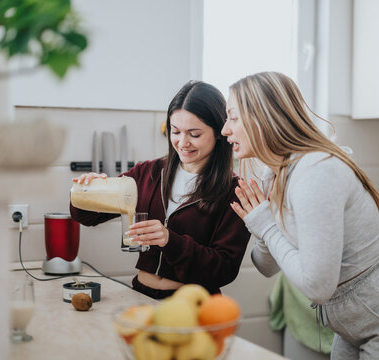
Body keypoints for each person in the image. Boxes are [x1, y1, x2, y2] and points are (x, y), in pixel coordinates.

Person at [221, 72, 379, 359]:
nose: (224, 130)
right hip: (356, 326)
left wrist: (267, 225)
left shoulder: (315, 171)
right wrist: (265, 222)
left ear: (262, 117)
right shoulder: (279, 175)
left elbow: (318, 287)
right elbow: (266, 266)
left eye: (232, 117)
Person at [70, 80, 250, 299]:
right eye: (175, 132)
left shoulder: (234, 191)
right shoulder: (148, 173)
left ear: (219, 133)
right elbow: (86, 217)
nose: (183, 142)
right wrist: (87, 190)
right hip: (142, 296)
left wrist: (169, 240)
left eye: (194, 134)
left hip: (194, 307)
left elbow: (224, 269)